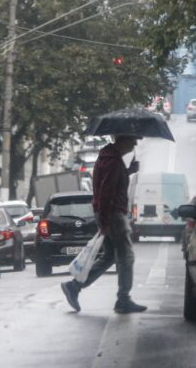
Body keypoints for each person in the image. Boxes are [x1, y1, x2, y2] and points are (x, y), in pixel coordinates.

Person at [61, 134, 147, 314]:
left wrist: (128, 171)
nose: (135, 143)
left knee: (109, 256)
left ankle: (74, 287)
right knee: (126, 257)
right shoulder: (113, 161)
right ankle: (123, 298)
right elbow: (106, 191)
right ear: (122, 140)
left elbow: (109, 185)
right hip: (114, 215)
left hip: (107, 213)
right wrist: (106, 220)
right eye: (132, 139)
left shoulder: (110, 159)